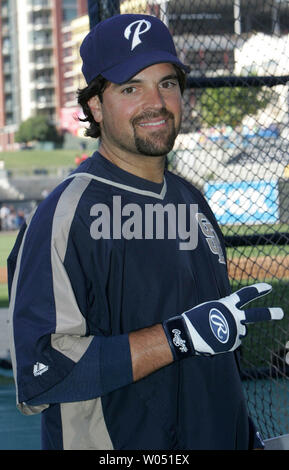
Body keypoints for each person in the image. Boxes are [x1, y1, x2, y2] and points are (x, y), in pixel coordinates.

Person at [7, 14, 283, 451]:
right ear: (95, 105)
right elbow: (43, 371)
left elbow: (214, 362)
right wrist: (178, 338)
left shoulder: (192, 201)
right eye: (131, 88)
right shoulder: (65, 215)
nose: (156, 102)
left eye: (167, 83)